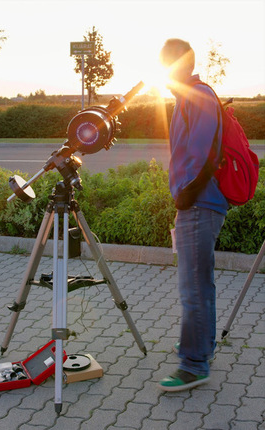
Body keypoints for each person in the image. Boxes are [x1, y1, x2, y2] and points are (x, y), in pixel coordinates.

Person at [158, 38, 228, 391]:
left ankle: (193, 364)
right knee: (202, 283)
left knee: (193, 289)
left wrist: (186, 195)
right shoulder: (188, 96)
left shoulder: (197, 96)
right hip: (199, 203)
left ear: (185, 64)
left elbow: (207, 155)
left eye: (171, 63)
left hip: (200, 204)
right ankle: (204, 345)